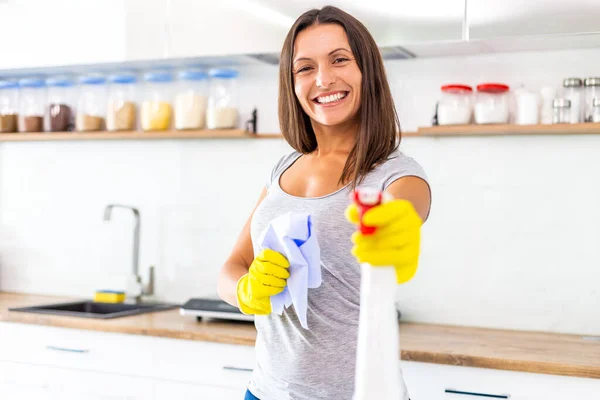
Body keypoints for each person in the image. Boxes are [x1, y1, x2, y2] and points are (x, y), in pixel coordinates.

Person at [217, 5, 431, 400]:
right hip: (263, 391)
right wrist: (246, 290)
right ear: (292, 83)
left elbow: (406, 206)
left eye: (339, 60)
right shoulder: (283, 168)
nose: (324, 78)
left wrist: (395, 224)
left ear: (367, 70)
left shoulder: (396, 174)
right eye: (305, 67)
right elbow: (231, 268)